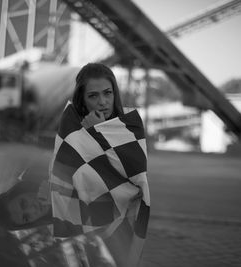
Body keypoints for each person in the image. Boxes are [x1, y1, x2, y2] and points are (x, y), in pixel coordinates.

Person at [50, 63, 150, 267]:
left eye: (107, 93)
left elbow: (136, 170)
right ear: (82, 99)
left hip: (126, 216)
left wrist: (97, 134)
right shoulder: (70, 126)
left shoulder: (130, 124)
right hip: (84, 219)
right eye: (93, 96)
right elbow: (61, 174)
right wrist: (88, 135)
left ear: (115, 93)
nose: (103, 102)